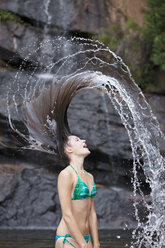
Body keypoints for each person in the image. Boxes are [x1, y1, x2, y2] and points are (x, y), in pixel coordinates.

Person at [54, 134, 100, 248]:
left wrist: (96, 243)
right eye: (77, 140)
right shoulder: (66, 174)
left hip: (86, 238)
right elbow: (67, 214)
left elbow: (92, 213)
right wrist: (83, 245)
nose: (84, 140)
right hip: (68, 239)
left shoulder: (89, 176)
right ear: (69, 149)